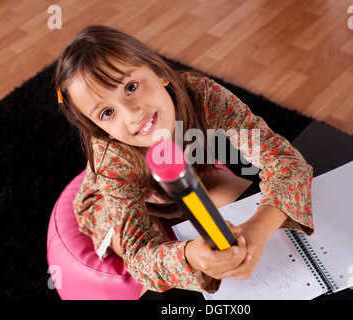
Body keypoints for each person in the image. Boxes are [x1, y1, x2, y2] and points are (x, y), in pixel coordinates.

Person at [54, 25, 313, 296]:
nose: (132, 115)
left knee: (242, 208)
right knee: (155, 260)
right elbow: (139, 254)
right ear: (101, 131)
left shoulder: (203, 95)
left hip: (188, 172)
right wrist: (190, 255)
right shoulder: (112, 159)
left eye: (131, 87)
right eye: (107, 112)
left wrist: (257, 231)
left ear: (160, 73)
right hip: (116, 203)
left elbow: (286, 162)